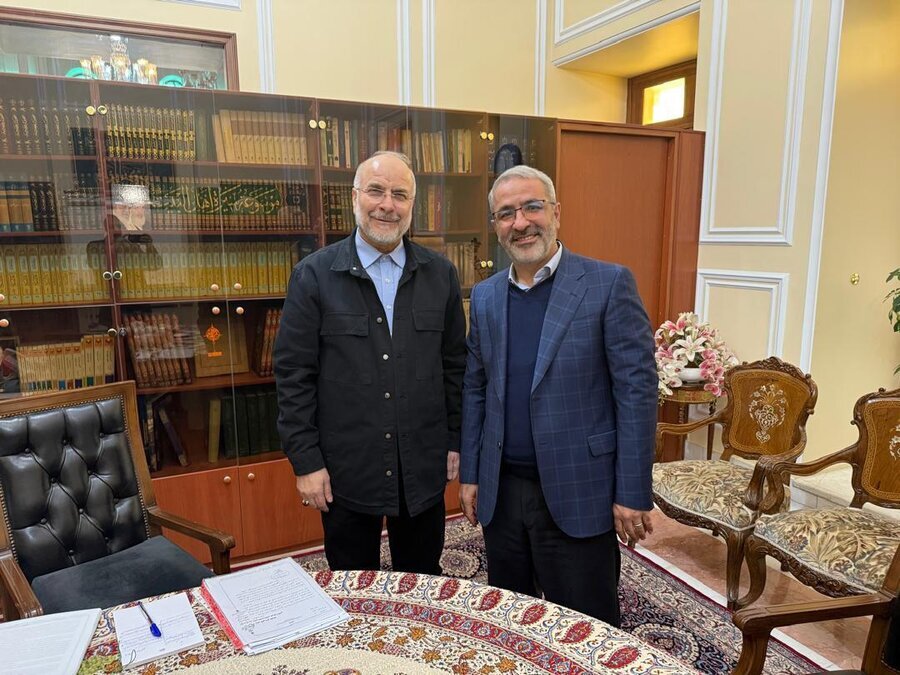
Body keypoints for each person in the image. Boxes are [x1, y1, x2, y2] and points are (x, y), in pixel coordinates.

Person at [459, 165, 657, 626]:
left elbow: (637, 392)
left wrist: (631, 490)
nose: (520, 222)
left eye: (532, 207)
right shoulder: (485, 296)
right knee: (512, 618)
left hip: (580, 487)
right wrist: (471, 472)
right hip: (503, 492)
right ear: (495, 225)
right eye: (506, 213)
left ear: (556, 213)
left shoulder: (608, 284)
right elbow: (476, 387)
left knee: (586, 627)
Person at [274, 151, 466, 575]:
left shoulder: (440, 275)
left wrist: (456, 439)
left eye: (400, 194)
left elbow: (455, 366)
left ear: (412, 204)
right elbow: (293, 376)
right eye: (376, 191)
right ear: (355, 197)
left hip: (422, 465)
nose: (387, 205)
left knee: (422, 582)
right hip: (347, 468)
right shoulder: (314, 275)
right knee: (352, 585)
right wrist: (306, 462)